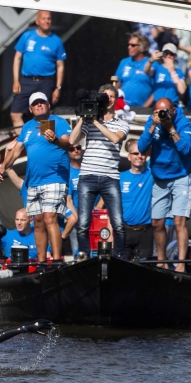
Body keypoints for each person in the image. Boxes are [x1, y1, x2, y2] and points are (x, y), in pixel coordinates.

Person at [0, 92, 71, 261]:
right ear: (30, 108)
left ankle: (56, 259)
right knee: (37, 221)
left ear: (48, 105)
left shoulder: (59, 122)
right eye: (35, 104)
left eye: (42, 102)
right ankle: (42, 260)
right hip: (34, 182)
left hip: (54, 177)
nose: (39, 105)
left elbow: (69, 143)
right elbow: (16, 151)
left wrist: (56, 140)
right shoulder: (27, 127)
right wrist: (3, 166)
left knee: (49, 218)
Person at [70, 84, 130, 259]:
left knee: (118, 223)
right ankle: (84, 256)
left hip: (110, 177)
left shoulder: (121, 123)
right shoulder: (89, 121)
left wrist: (96, 120)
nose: (109, 99)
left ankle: (119, 257)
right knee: (83, 223)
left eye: (112, 96)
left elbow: (115, 138)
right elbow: (73, 140)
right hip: (87, 176)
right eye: (106, 96)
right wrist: (84, 116)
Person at [136, 97, 191, 273]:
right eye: (158, 112)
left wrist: (170, 128)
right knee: (156, 222)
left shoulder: (184, 123)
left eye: (165, 112)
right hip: (160, 177)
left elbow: (185, 149)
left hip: (182, 175)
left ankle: (181, 263)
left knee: (179, 221)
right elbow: (141, 146)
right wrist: (153, 126)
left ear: (173, 110)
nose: (162, 115)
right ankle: (162, 261)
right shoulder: (152, 121)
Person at [10, 11, 66, 128]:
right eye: (44, 18)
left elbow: (60, 66)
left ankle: (44, 142)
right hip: (26, 81)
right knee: (15, 114)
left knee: (43, 114)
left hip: (46, 82)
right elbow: (17, 58)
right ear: (37, 21)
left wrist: (58, 88)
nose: (47, 21)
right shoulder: (27, 36)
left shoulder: (56, 41)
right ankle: (25, 142)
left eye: (49, 19)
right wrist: (16, 80)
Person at [119, 141, 154, 260]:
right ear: (129, 156)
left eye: (143, 153)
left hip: (145, 231)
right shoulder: (119, 177)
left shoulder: (152, 175)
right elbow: (111, 207)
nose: (140, 156)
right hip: (124, 230)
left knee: (144, 270)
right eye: (136, 153)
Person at [114, 31, 154, 108]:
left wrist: (144, 108)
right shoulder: (124, 62)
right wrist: (118, 104)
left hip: (142, 109)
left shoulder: (151, 63)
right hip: (123, 107)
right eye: (128, 45)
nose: (129, 47)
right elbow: (117, 85)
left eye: (133, 45)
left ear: (142, 48)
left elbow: (156, 91)